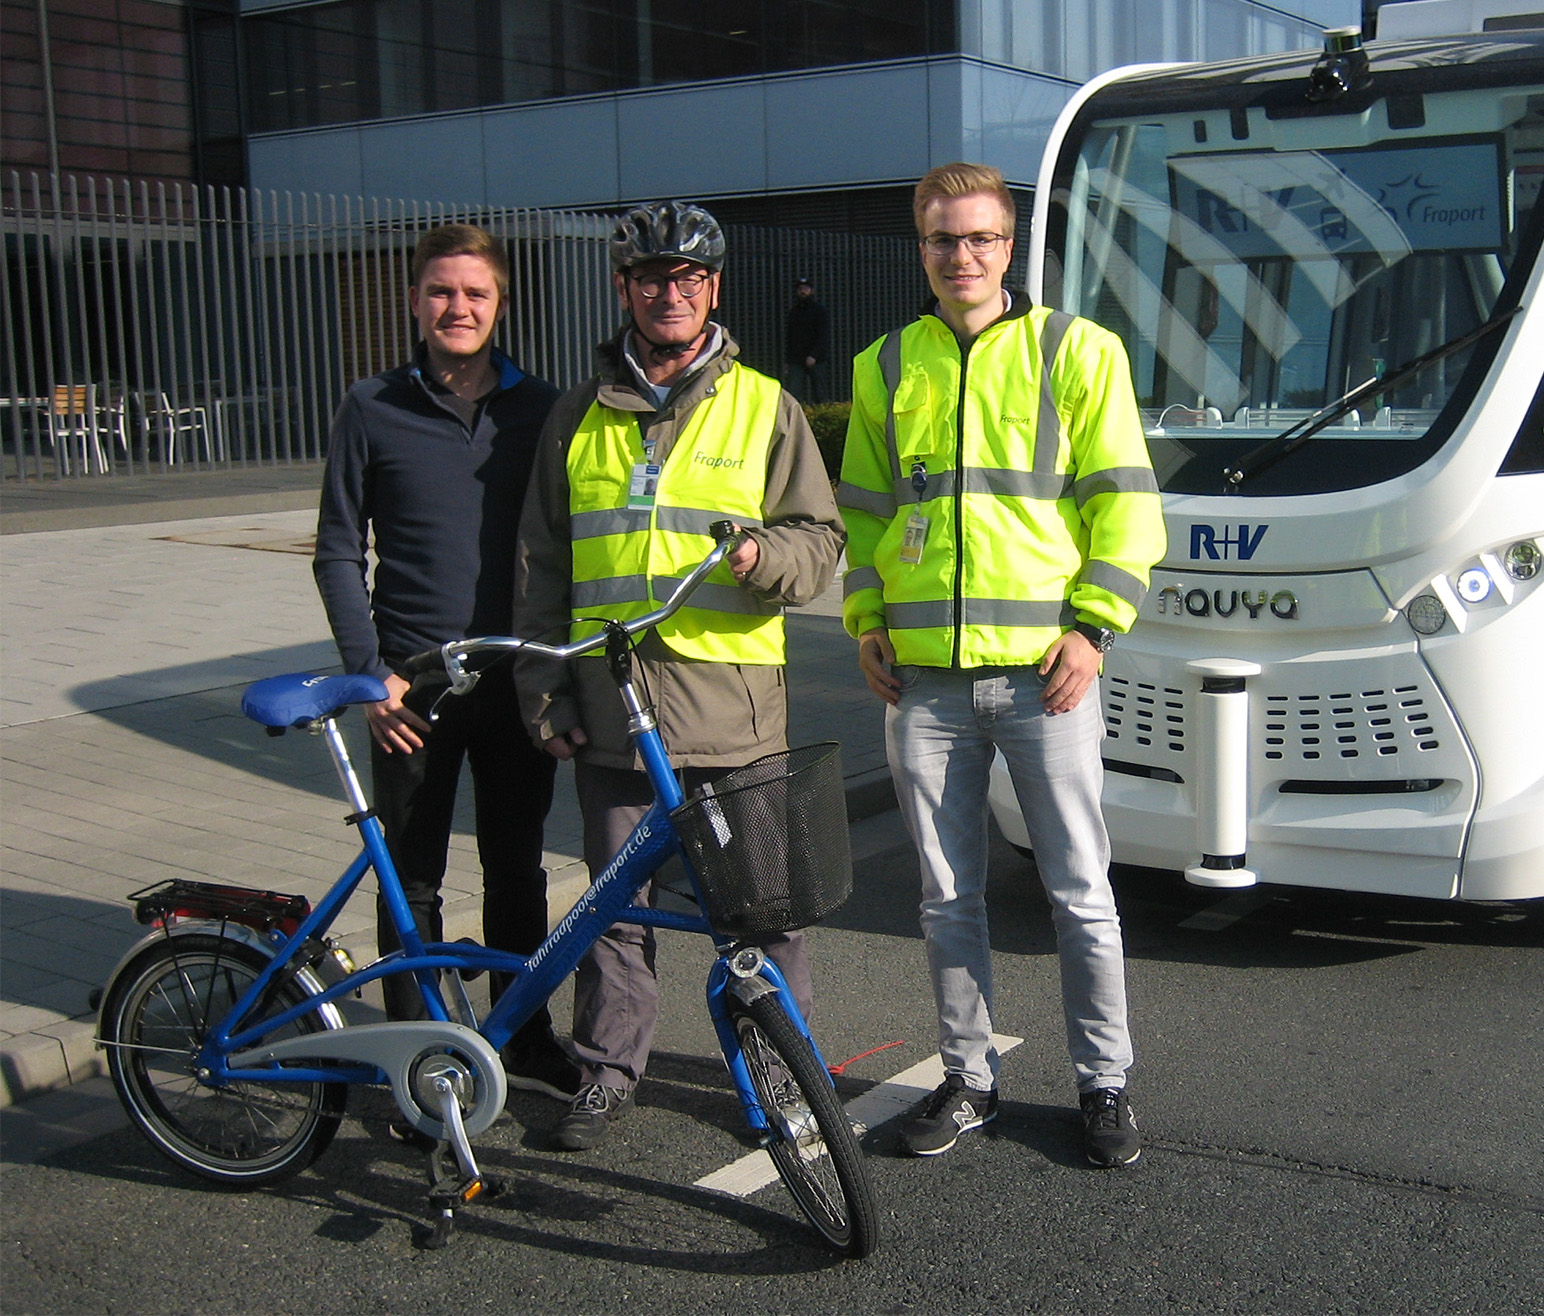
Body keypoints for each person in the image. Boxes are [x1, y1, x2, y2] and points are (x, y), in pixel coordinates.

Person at [838, 162, 1166, 1168]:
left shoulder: (1077, 350)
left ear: (1009, 246)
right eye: (943, 240)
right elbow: (862, 510)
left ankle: (1103, 1086)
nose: (962, 256)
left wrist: (1093, 627)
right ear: (921, 248)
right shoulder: (884, 365)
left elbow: (1125, 502)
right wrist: (863, 617)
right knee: (944, 898)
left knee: (1078, 891)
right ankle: (968, 1079)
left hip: (1043, 675)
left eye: (980, 238)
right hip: (925, 685)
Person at [514, 200, 843, 1151]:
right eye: (652, 277)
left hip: (734, 717)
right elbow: (542, 563)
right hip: (615, 714)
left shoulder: (766, 404)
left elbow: (820, 543)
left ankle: (780, 1079)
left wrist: (761, 560)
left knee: (765, 915)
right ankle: (609, 1073)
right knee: (613, 914)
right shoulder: (576, 415)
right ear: (623, 289)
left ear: (715, 289)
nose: (672, 293)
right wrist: (541, 692)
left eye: (690, 278)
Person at [312, 223, 578, 1101]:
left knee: (517, 867)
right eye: (439, 291)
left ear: (502, 305)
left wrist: (560, 672)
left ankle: (525, 1034)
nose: (456, 307)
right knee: (411, 876)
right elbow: (338, 550)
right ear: (415, 301)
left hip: (513, 674)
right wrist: (370, 672)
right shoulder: (371, 406)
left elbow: (568, 543)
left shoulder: (540, 408)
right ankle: (419, 1053)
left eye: (475, 293)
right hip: (411, 687)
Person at [784, 277, 830, 404]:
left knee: (820, 392)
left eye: (805, 288)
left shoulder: (820, 311)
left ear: (811, 290)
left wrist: (814, 355)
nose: (802, 291)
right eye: (800, 289)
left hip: (817, 359)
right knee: (793, 391)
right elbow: (790, 338)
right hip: (796, 359)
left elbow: (823, 336)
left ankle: (823, 418)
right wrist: (788, 360)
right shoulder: (794, 312)